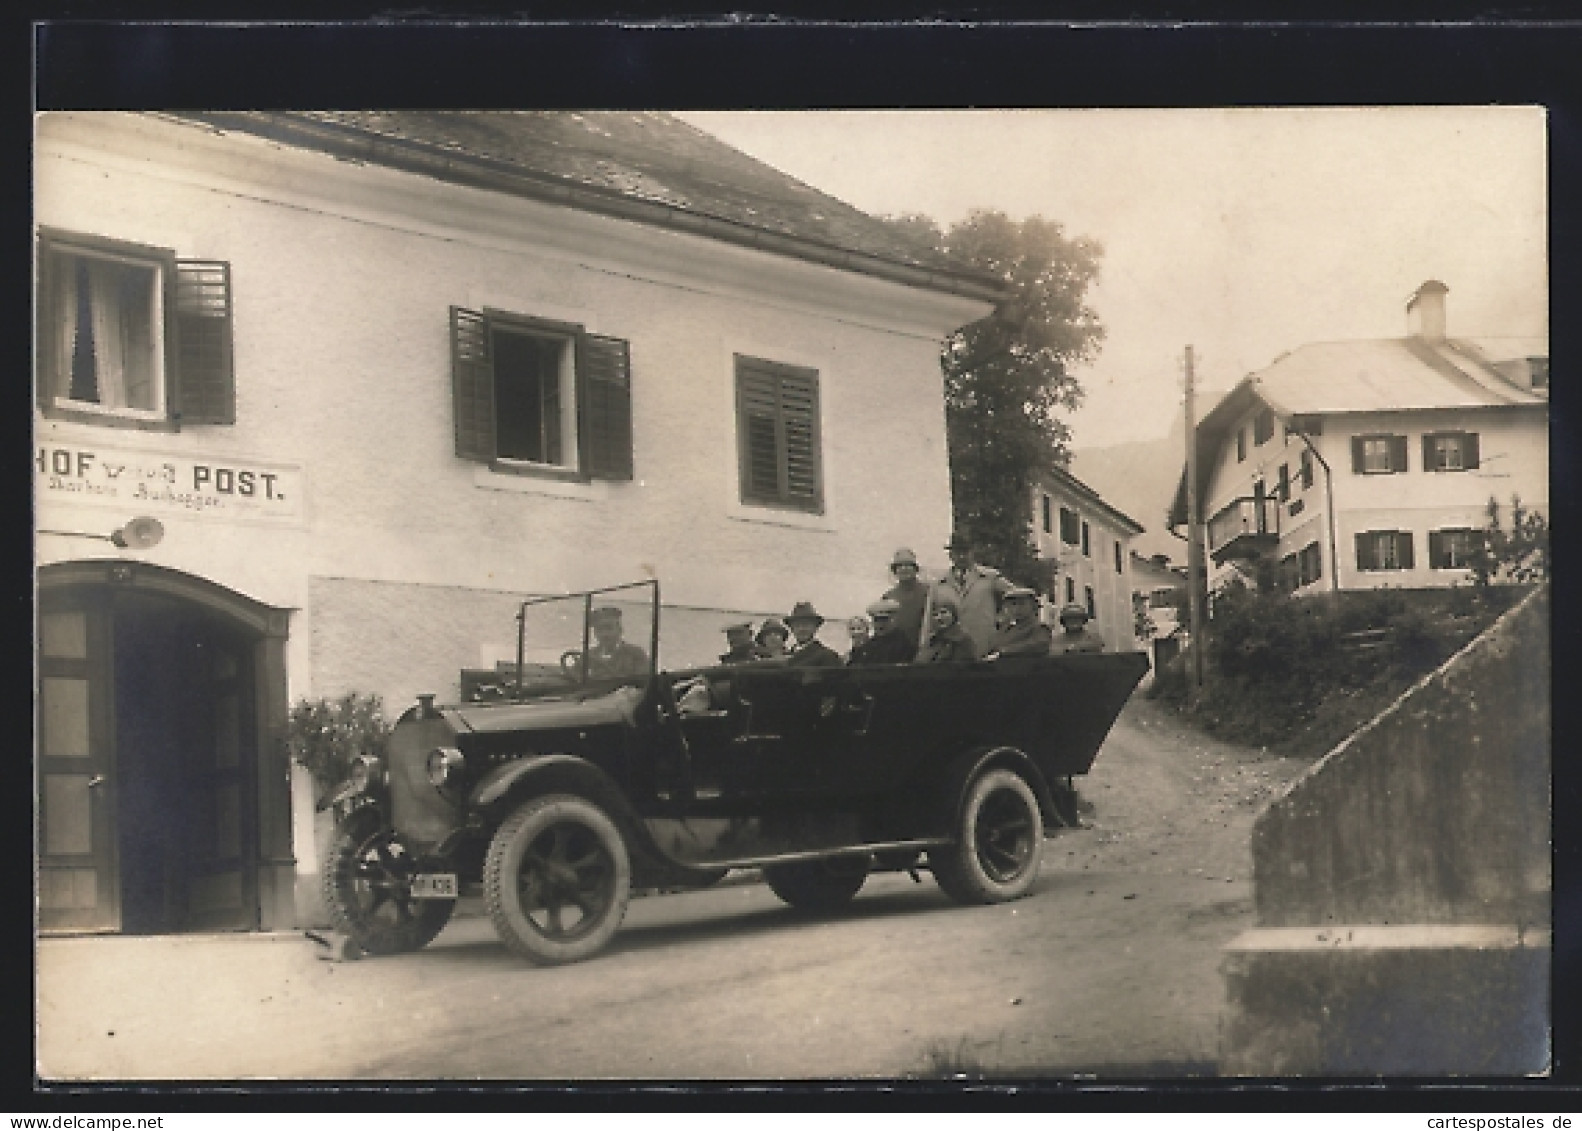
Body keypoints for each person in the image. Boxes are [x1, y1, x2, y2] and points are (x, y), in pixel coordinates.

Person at [934, 534, 1012, 659]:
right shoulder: (939, 584)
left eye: (965, 552)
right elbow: (929, 620)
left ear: (972, 552)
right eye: (957, 552)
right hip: (951, 653)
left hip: (984, 647)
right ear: (950, 555)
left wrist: (1003, 622)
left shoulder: (989, 577)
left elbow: (1016, 597)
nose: (961, 557)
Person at [882, 547, 931, 656]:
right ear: (895, 570)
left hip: (924, 650)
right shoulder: (889, 596)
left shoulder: (928, 592)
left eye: (908, 565)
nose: (904, 569)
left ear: (915, 569)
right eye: (900, 566)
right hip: (896, 652)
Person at [982, 587, 1054, 659]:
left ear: (1034, 606)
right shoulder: (1006, 629)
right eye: (1013, 604)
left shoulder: (1039, 628)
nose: (1017, 609)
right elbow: (993, 647)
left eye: (1022, 604)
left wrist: (1004, 652)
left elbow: (1039, 645)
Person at [585, 606, 649, 677]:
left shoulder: (635, 654)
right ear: (595, 633)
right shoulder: (588, 656)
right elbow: (573, 677)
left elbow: (644, 681)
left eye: (609, 628)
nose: (604, 634)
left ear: (620, 630)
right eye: (599, 630)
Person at [847, 598, 915, 665]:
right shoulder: (869, 645)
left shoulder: (902, 644)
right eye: (876, 620)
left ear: (894, 619)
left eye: (884, 619)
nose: (880, 624)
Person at [918, 592, 977, 663]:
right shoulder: (931, 641)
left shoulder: (963, 640)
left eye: (943, 612)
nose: (939, 618)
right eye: (935, 614)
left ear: (953, 615)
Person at [783, 602, 845, 667]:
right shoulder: (787, 655)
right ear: (792, 629)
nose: (802, 629)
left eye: (806, 625)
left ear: (815, 627)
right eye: (797, 625)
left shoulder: (828, 656)